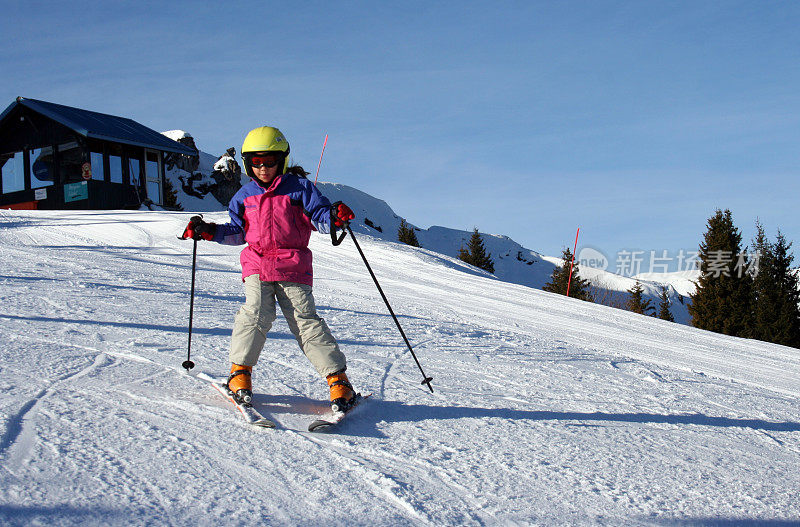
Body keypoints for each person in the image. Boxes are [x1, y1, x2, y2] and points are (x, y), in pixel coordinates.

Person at [181, 126, 357, 412]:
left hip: (293, 266)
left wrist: (335, 217)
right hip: (257, 265)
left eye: (270, 161)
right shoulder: (243, 195)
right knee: (255, 314)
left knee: (305, 322)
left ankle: (339, 382)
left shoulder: (300, 189)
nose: (263, 168)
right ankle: (240, 374)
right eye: (256, 162)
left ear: (282, 160)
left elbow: (320, 217)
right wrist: (209, 231)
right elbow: (238, 232)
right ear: (249, 163)